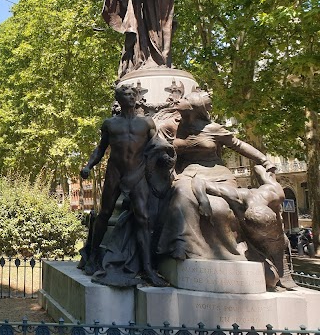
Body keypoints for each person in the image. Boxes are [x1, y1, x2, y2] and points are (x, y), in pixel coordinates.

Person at [156, 91, 277, 262]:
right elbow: (158, 149)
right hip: (188, 173)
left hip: (217, 175)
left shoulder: (212, 129)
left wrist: (264, 160)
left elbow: (239, 145)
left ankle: (238, 249)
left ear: (195, 106)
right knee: (181, 193)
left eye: (184, 99)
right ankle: (184, 244)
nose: (178, 100)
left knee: (221, 208)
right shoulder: (172, 127)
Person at [79, 84, 166, 285]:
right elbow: (100, 150)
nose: (130, 97)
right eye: (125, 94)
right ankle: (92, 255)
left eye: (132, 94)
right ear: (119, 99)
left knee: (143, 218)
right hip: (115, 173)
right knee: (104, 214)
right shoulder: (110, 124)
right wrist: (88, 166)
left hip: (137, 173)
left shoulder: (146, 123)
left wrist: (165, 156)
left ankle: (147, 269)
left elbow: (157, 145)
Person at [199, 165, 295, 290]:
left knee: (278, 249)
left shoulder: (275, 193)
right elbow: (199, 182)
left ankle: (283, 273)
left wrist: (263, 167)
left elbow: (266, 172)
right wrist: (203, 200)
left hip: (275, 233)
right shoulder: (235, 195)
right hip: (248, 239)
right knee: (271, 279)